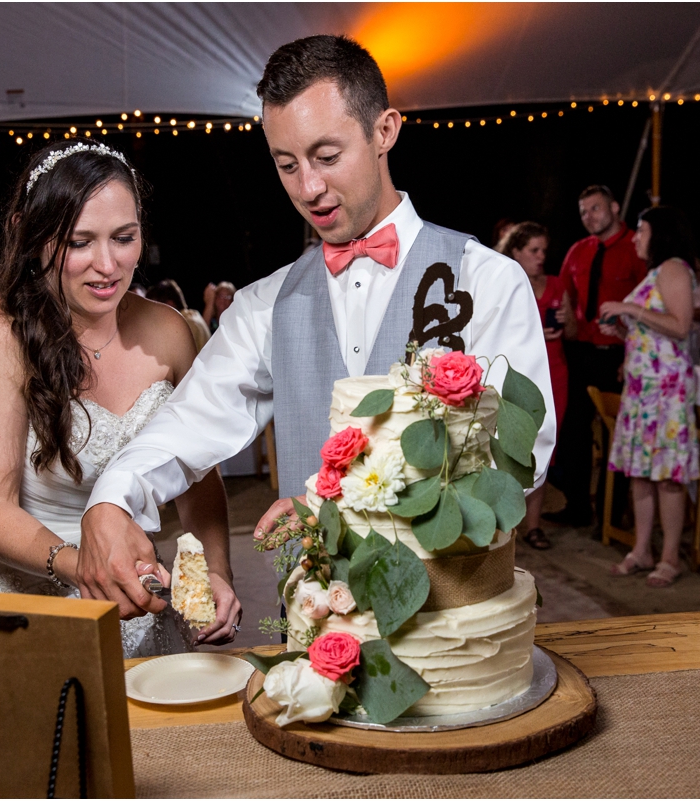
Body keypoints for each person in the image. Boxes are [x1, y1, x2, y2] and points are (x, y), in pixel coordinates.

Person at [80, 34, 555, 620]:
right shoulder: (264, 304)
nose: (308, 188)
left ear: (385, 131)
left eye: (327, 157)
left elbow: (520, 460)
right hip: (316, 635)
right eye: (286, 165)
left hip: (453, 620)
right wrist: (111, 500)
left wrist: (341, 506)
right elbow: (187, 425)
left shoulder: (488, 279)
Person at [0, 140, 239, 655]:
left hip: (138, 604)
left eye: (123, 238)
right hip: (19, 606)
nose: (107, 265)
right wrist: (87, 567)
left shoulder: (169, 331)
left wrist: (215, 571)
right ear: (32, 238)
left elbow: (197, 475)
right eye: (80, 242)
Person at [599, 206, 700, 588]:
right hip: (643, 389)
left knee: (667, 476)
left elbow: (680, 326)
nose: (635, 237)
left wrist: (628, 308)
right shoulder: (655, 273)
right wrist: (624, 335)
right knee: (641, 473)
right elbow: (653, 335)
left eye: (641, 230)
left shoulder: (674, 268)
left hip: (667, 391)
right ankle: (641, 549)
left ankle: (670, 556)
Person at [551, 185, 648, 527]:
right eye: (583, 212)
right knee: (574, 433)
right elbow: (562, 296)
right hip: (581, 352)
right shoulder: (578, 250)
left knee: (615, 437)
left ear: (615, 207)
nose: (589, 217)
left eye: (595, 209)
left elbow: (647, 307)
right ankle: (578, 507)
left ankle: (613, 514)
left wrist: (631, 352)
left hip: (619, 353)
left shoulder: (637, 248)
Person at [496, 221, 566, 550]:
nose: (541, 257)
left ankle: (534, 525)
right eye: (533, 251)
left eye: (544, 251)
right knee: (508, 446)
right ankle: (502, 524)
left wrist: (567, 322)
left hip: (555, 371)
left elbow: (578, 333)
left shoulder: (556, 284)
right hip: (514, 374)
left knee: (543, 447)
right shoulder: (502, 282)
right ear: (515, 252)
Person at [145, 279, 212, 350]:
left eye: (155, 310)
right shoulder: (192, 318)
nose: (154, 317)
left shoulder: (186, 326)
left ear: (169, 305)